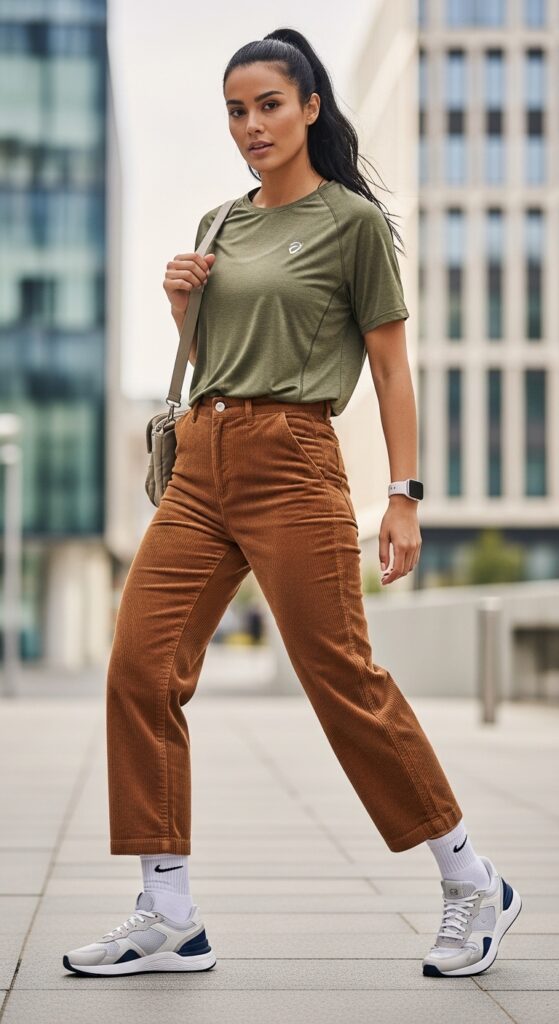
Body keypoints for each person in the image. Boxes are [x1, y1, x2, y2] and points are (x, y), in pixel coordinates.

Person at [63, 27, 522, 979]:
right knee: (138, 668)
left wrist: (403, 496)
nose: (250, 126)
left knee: (340, 679)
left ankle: (472, 879)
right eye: (235, 111)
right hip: (199, 465)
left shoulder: (349, 223)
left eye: (268, 104)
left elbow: (392, 368)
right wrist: (182, 304)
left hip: (292, 463)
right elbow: (211, 358)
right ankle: (169, 910)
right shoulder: (218, 224)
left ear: (309, 107)